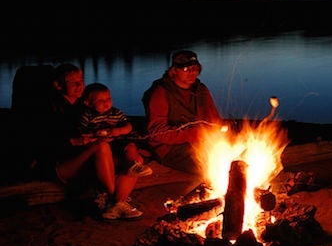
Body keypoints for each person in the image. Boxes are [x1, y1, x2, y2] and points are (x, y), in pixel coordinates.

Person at [48, 63, 144, 220]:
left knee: (135, 161)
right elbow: (45, 142)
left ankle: (116, 205)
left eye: (81, 80)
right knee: (101, 145)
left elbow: (117, 125)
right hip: (65, 164)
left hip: (92, 160)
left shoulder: (89, 105)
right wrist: (75, 141)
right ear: (58, 85)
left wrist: (113, 133)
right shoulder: (51, 108)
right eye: (73, 82)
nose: (80, 85)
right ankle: (116, 199)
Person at [142, 50, 224, 176]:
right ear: (174, 70)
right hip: (169, 149)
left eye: (195, 68)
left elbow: (214, 120)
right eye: (186, 69)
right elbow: (157, 133)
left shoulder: (200, 90)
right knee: (211, 165)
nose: (192, 73)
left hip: (198, 143)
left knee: (231, 153)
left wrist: (219, 133)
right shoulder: (161, 92)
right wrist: (195, 134)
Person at [77, 82, 153, 178]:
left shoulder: (116, 113)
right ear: (88, 103)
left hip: (118, 140)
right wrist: (96, 134)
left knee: (131, 146)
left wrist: (119, 131)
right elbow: (82, 132)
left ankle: (133, 165)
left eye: (108, 99)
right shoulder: (87, 116)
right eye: (100, 100)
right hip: (100, 145)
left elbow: (128, 125)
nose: (106, 103)